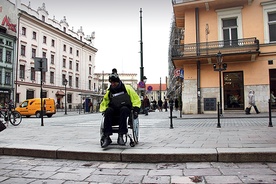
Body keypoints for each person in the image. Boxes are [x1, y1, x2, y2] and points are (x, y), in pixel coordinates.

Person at [99, 69, 141, 148]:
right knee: (108, 111)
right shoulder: (110, 91)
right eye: (111, 83)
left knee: (124, 109)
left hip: (124, 109)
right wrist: (103, 109)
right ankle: (107, 136)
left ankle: (121, 135)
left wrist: (136, 109)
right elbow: (105, 101)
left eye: (114, 82)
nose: (113, 84)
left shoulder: (127, 88)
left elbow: (136, 99)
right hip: (114, 109)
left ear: (118, 81)